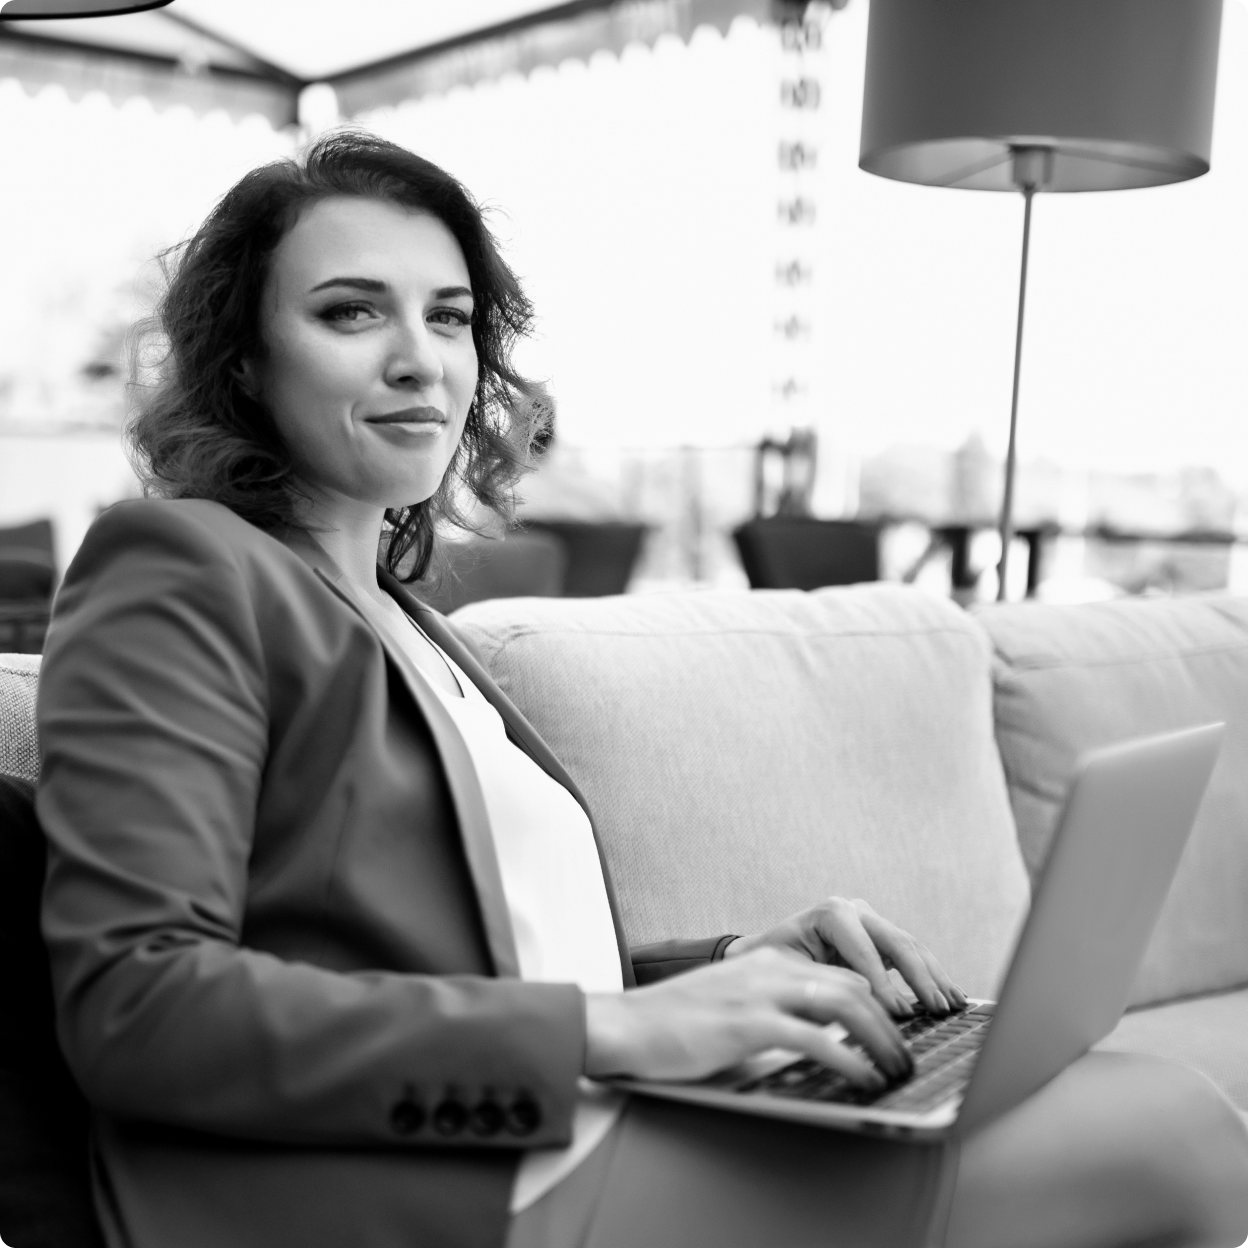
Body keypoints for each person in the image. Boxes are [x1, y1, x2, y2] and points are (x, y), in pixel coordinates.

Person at [35, 131, 1248, 1248]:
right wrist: (618, 1032)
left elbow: (481, 953)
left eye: (450, 318)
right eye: (352, 312)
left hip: (567, 1127)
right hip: (390, 1195)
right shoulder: (183, 568)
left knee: (1125, 1095)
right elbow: (138, 1005)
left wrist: (716, 969)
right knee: (1178, 1135)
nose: (421, 360)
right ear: (244, 362)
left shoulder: (414, 626)